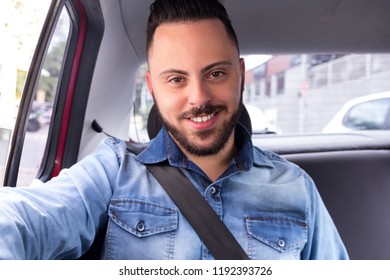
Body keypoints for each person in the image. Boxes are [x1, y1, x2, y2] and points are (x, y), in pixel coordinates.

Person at [0, 0, 348, 260]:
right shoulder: (114, 172)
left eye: (215, 74)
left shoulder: (297, 189)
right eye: (177, 79)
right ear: (152, 88)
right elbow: (28, 219)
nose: (198, 97)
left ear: (240, 75)